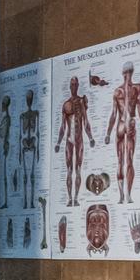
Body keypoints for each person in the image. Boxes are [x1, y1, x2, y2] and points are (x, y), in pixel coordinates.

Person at [106, 62, 140, 204]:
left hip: (123, 124)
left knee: (124, 160)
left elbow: (117, 113)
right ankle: (125, 196)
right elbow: (138, 109)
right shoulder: (133, 89)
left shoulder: (122, 91)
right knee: (126, 160)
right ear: (130, 72)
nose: (128, 75)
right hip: (128, 123)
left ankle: (124, 195)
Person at [55, 77, 94, 206]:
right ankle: (69, 199)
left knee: (77, 169)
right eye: (72, 84)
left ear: (78, 86)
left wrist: (91, 137)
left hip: (79, 139)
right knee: (69, 170)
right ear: (69, 86)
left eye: (75, 84)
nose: (74, 87)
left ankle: (76, 198)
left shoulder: (81, 102)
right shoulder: (66, 105)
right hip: (69, 140)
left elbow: (86, 121)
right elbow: (63, 126)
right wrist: (58, 143)